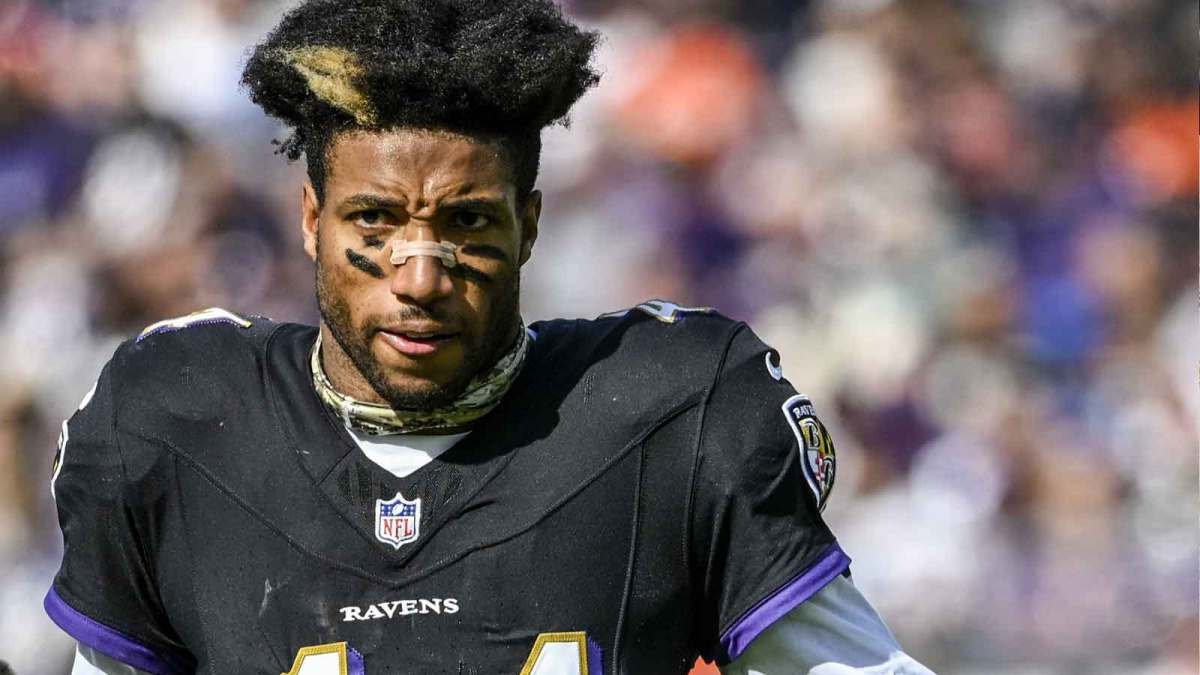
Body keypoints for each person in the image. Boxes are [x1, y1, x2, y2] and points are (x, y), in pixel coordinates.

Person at [45, 1, 934, 673]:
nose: (421, 274)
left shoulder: (673, 406)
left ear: (530, 224)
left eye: (467, 222)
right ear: (312, 219)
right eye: (376, 219)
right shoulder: (181, 417)